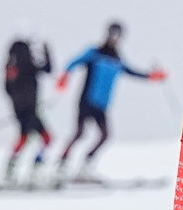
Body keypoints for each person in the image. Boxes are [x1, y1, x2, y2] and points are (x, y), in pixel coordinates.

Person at [56, 22, 165, 181]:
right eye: (113, 34)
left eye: (118, 36)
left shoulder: (117, 59)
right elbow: (74, 61)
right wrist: (65, 75)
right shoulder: (95, 53)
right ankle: (61, 163)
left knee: (105, 135)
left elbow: (131, 71)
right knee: (80, 133)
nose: (115, 38)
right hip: (86, 101)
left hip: (102, 105)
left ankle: (85, 165)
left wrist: (151, 76)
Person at [2, 31, 55, 185]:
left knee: (24, 138)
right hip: (30, 109)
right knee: (46, 139)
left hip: (20, 109)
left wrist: (17, 103)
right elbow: (47, 68)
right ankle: (34, 170)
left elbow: (6, 88)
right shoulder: (28, 62)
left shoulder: (10, 64)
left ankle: (10, 171)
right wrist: (47, 51)